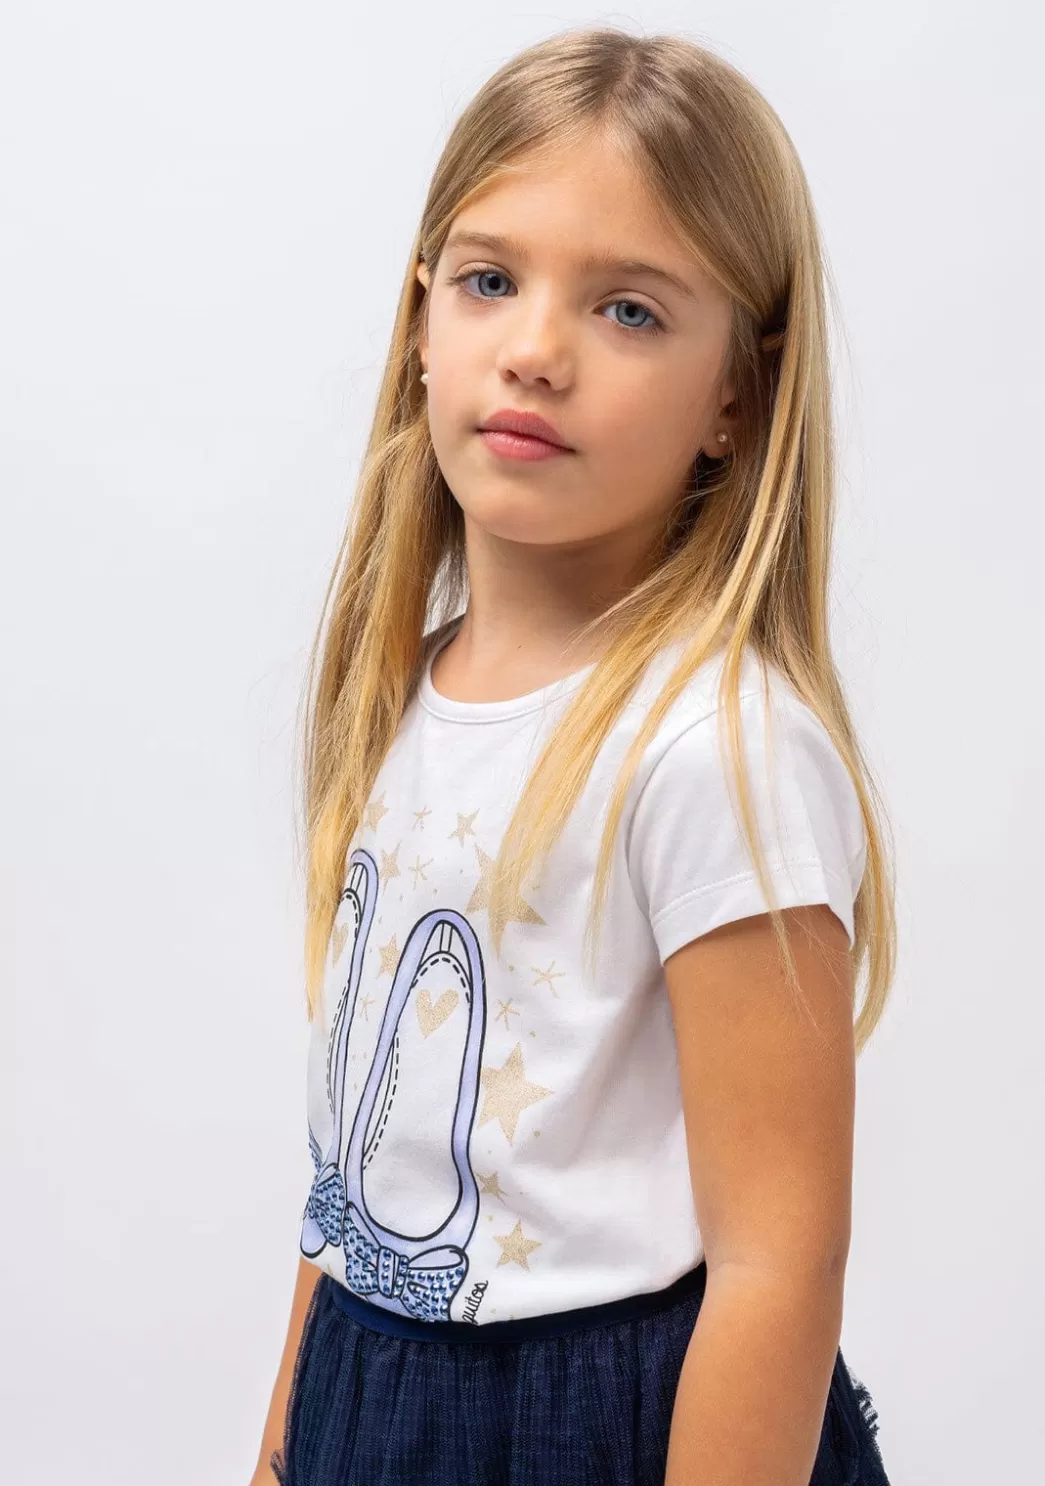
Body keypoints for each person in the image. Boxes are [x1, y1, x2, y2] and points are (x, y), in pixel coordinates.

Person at [250, 24, 896, 1486]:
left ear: (736, 395)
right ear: (421, 322)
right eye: (491, 281)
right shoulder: (399, 696)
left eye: (628, 310)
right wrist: (285, 1446)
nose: (535, 350)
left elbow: (780, 1264)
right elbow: (353, 1184)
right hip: (375, 1387)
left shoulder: (714, 748)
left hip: (611, 1428)